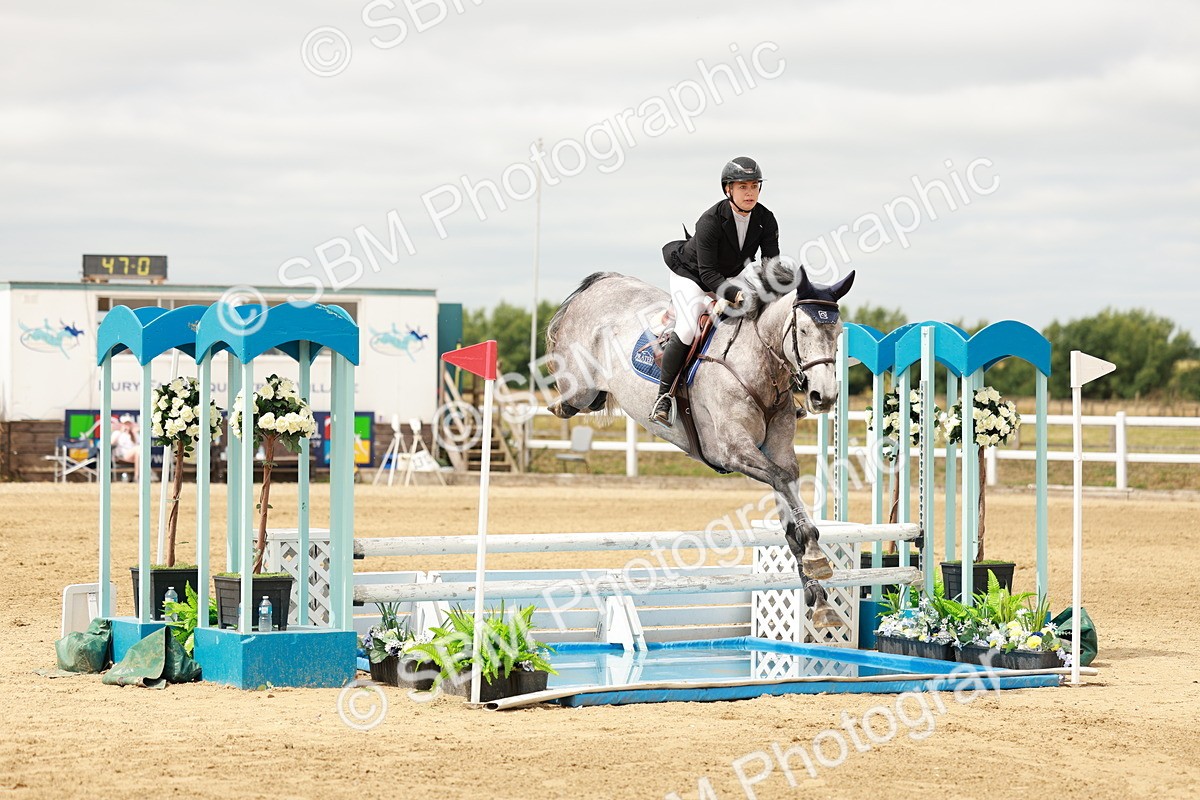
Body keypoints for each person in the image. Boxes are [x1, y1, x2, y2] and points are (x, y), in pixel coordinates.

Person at [653, 156, 781, 425]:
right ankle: (664, 396)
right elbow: (708, 274)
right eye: (743, 186)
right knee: (688, 328)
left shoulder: (765, 219)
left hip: (730, 273)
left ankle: (778, 394)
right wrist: (737, 295)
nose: (750, 192)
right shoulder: (710, 220)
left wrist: (777, 294)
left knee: (760, 318)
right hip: (692, 275)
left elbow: (770, 264)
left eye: (754, 186)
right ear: (728, 189)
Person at [111, 414, 141, 480]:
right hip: (122, 456)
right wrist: (121, 431)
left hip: (135, 455)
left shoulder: (134, 434)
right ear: (121, 424)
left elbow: (140, 445)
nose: (127, 425)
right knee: (138, 450)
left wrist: (134, 432)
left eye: (129, 423)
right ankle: (138, 476)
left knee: (139, 451)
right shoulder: (117, 433)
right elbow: (111, 443)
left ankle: (138, 476)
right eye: (125, 423)